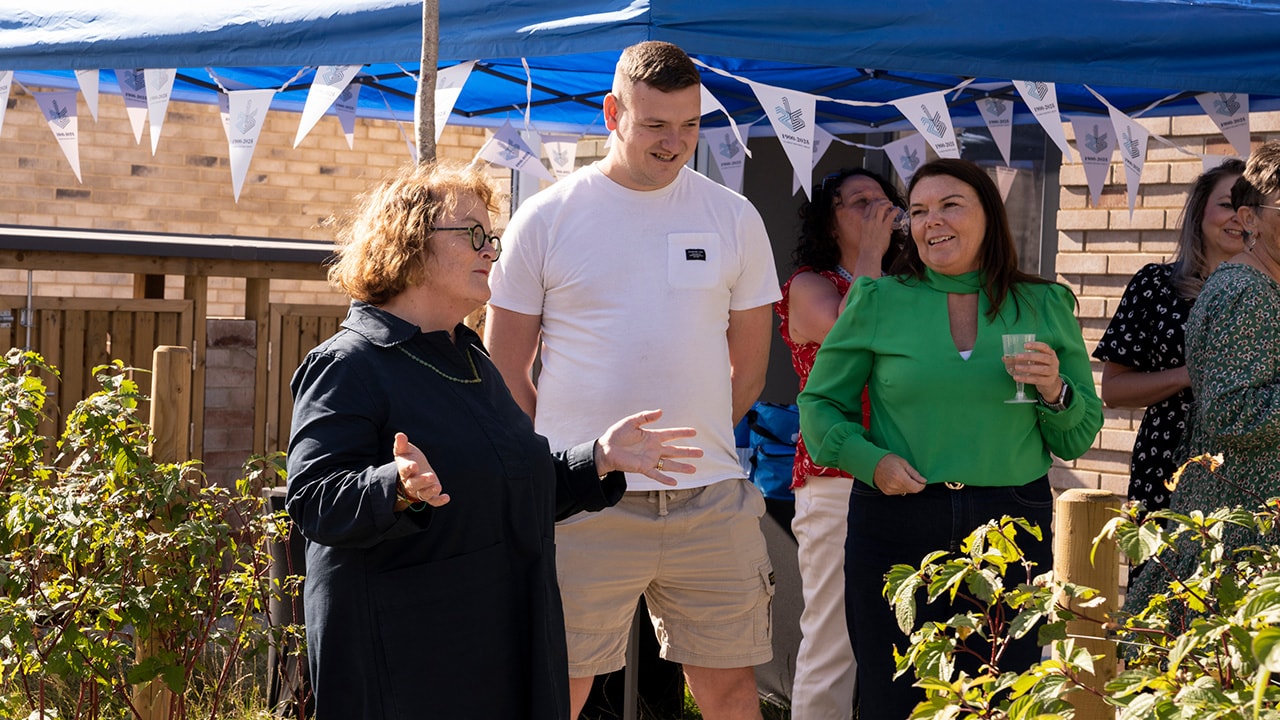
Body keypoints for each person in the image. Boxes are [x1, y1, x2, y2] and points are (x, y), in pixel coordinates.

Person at [284, 161, 704, 720]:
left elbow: (509, 484)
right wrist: (397, 487)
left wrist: (598, 459)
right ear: (408, 243)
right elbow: (314, 499)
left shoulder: (470, 357)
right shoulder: (349, 364)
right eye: (474, 234)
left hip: (499, 634)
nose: (492, 251)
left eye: (493, 237)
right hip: (410, 657)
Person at [486, 40, 781, 720]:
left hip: (709, 500)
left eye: (689, 125)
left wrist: (697, 444)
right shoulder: (546, 217)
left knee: (732, 693)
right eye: (655, 124)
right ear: (612, 112)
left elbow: (750, 371)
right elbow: (504, 369)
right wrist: (568, 461)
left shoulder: (735, 217)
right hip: (584, 505)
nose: (675, 142)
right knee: (554, 689)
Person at [797, 158, 1103, 719]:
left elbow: (1079, 435)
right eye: (917, 211)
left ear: (989, 214)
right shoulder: (876, 300)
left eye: (949, 205)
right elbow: (818, 406)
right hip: (896, 518)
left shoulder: (1043, 303)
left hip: (1013, 522)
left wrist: (1054, 389)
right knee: (895, 698)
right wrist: (872, 461)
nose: (930, 221)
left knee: (1003, 697)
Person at [1124, 141, 1280, 619]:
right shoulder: (1245, 293)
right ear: (1251, 217)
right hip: (1237, 539)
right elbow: (1233, 413)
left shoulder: (1258, 286)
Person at [775, 167, 906, 720]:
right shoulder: (809, 285)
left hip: (904, 473)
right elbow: (853, 330)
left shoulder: (905, 286)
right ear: (829, 223)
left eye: (884, 201)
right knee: (834, 643)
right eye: (859, 203)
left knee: (900, 641)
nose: (877, 209)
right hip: (835, 480)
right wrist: (874, 253)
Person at [1093, 160, 1246, 517]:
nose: (1239, 216)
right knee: (1160, 567)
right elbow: (1113, 391)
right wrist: (1188, 375)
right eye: (1227, 204)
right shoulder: (1154, 285)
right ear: (1200, 211)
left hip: (1253, 468)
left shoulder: (1271, 295)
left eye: (1250, 206)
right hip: (1166, 462)